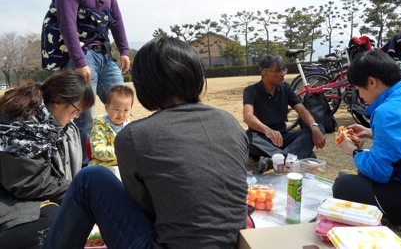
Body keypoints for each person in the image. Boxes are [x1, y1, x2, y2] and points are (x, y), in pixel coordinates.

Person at [42, 36, 249, 248]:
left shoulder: (135, 136)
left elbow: (144, 209)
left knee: (90, 177)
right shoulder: (230, 122)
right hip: (234, 242)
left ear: (145, 85)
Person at [333, 50, 401, 234]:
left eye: (358, 89)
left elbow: (380, 172)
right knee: (363, 169)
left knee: (343, 185)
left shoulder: (388, 111)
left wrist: (351, 150)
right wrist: (369, 132)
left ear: (371, 82)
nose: (360, 97)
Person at [56, 0, 130, 166]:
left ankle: (122, 158)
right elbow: (67, 25)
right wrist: (78, 62)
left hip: (106, 57)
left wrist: (125, 50)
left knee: (122, 109)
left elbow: (116, 22)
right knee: (83, 117)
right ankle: (85, 170)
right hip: (82, 57)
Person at [0, 70, 94, 249]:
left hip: (19, 197)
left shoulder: (48, 124)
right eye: (76, 110)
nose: (77, 116)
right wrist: (79, 193)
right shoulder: (21, 124)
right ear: (59, 101)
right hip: (9, 201)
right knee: (54, 221)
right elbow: (30, 182)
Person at [243, 53, 326, 171]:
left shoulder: (286, 88)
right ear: (265, 73)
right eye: (278, 71)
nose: (283, 73)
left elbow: (301, 109)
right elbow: (248, 116)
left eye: (283, 70)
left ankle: (276, 160)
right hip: (261, 138)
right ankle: (293, 157)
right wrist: (267, 130)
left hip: (283, 137)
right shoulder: (251, 91)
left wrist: (314, 126)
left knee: (319, 128)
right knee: (246, 138)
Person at [88, 85, 134, 166]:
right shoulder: (99, 127)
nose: (121, 114)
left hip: (126, 167)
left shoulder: (131, 127)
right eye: (117, 109)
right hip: (105, 167)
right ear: (107, 107)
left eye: (126, 110)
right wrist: (121, 152)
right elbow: (97, 150)